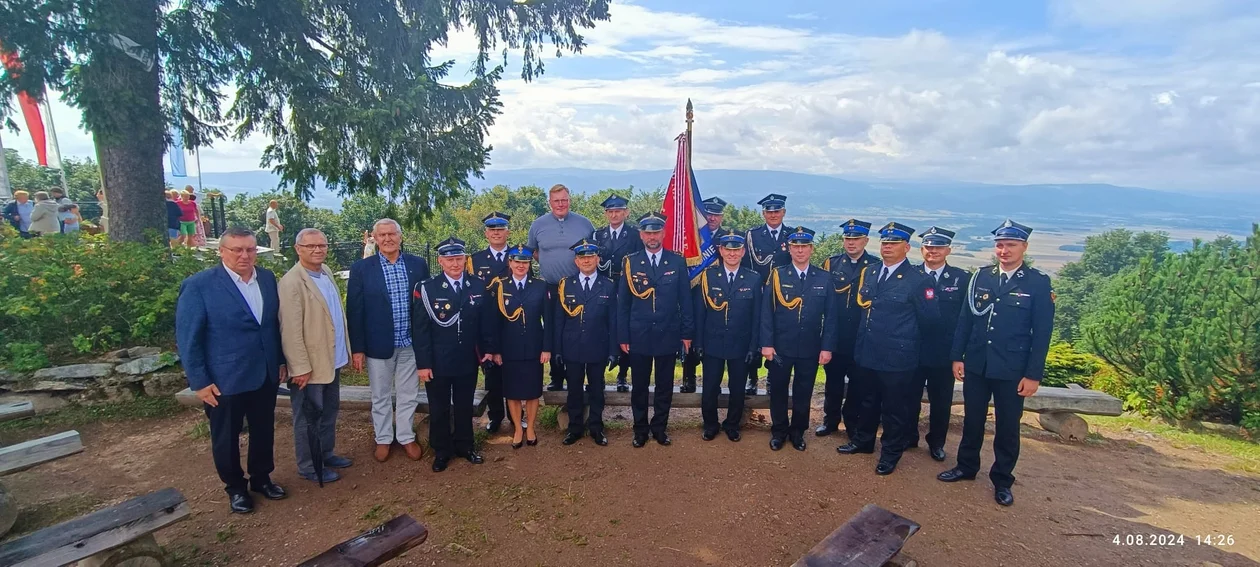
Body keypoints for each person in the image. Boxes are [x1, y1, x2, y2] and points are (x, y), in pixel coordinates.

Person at [938, 220, 1054, 507]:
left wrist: (1033, 374)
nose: (1004, 250)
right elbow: (966, 320)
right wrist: (957, 356)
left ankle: (1002, 479)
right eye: (1000, 245)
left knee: (1007, 426)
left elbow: (1042, 333)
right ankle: (966, 466)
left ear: (1024, 247)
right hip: (977, 364)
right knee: (972, 420)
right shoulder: (981, 277)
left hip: (1012, 370)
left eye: (1011, 245)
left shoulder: (1037, 283)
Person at [175, 227, 288, 514]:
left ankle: (261, 478)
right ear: (221, 251)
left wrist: (279, 362)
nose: (244, 255)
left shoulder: (266, 278)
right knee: (226, 437)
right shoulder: (199, 285)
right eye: (237, 250)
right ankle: (235, 488)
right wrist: (199, 381)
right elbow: (189, 338)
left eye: (250, 249)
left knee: (263, 430)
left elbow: (270, 327)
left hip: (264, 373)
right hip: (225, 379)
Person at [837, 222, 939, 476]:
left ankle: (890, 454)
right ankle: (863, 442)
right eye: (884, 243)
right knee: (867, 402)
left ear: (906, 247)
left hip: (898, 357)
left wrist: (908, 344)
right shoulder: (870, 272)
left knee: (894, 409)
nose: (887, 248)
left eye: (893, 244)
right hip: (868, 352)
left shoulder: (918, 280)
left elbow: (931, 321)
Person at [346, 219, 430, 463]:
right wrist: (358, 348)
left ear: (400, 236)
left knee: (408, 394)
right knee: (380, 395)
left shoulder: (418, 265)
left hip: (410, 343)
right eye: (381, 235)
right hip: (377, 344)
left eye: (391, 234)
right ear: (375, 238)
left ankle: (405, 436)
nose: (387, 239)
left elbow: (424, 306)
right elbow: (355, 310)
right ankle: (383, 438)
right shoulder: (362, 269)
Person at [412, 237, 496, 472]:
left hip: (467, 358)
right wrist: (424, 363)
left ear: (465, 259)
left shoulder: (477, 285)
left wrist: (488, 350)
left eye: (459, 258)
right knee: (439, 408)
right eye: (449, 259)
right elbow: (420, 330)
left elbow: (485, 324)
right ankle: (441, 451)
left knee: (463, 405)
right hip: (438, 361)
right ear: (440, 261)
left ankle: (465, 446)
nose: (455, 264)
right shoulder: (428, 288)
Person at [279, 228, 353, 484]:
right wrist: (299, 367)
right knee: (309, 416)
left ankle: (326, 452)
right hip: (309, 366)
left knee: (329, 410)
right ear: (298, 249)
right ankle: (309, 465)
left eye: (322, 245)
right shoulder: (291, 283)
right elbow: (289, 328)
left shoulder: (326, 272)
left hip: (331, 359)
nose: (318, 249)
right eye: (311, 246)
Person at [618, 211, 694, 448]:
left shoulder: (676, 261)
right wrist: (623, 335)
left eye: (656, 232)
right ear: (641, 235)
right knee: (639, 385)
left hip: (667, 332)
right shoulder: (630, 262)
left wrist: (687, 333)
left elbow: (686, 300)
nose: (652, 236)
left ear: (663, 233)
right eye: (647, 232)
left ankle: (660, 428)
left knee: (664, 385)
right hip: (638, 333)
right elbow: (623, 303)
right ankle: (640, 429)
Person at [759, 226, 838, 451]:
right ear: (789, 248)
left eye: (804, 246)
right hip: (781, 346)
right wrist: (767, 343)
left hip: (810, 347)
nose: (800, 250)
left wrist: (827, 347)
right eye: (796, 246)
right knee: (779, 391)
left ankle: (798, 432)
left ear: (812, 249)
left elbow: (831, 317)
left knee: (804, 392)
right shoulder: (777, 275)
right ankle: (779, 431)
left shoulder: (823, 277)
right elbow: (767, 313)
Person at [526, 184, 596, 391]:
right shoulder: (537, 225)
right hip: (550, 287)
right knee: (552, 330)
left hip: (578, 287)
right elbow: (533, 253)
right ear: (550, 203)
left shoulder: (585, 224)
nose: (560, 204)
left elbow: (591, 253)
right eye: (556, 201)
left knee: (578, 329)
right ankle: (557, 376)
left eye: (564, 200)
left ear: (570, 200)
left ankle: (581, 376)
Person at [694, 230, 761, 442]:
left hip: (740, 344)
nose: (732, 254)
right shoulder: (708, 276)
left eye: (736, 250)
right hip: (712, 341)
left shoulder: (754, 278)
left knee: (737, 388)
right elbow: (700, 313)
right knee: (710, 386)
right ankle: (710, 424)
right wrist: (698, 342)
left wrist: (753, 347)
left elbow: (757, 317)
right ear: (721, 251)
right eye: (728, 250)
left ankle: (732, 424)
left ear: (742, 252)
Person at [911, 227, 970, 462]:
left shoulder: (961, 278)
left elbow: (966, 319)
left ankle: (936, 443)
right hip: (912, 349)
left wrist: (959, 354)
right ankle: (908, 436)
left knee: (941, 402)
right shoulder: (911, 275)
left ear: (948, 250)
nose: (932, 251)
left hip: (944, 353)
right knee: (908, 398)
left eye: (938, 247)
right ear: (921, 249)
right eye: (928, 246)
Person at [555, 238, 620, 446]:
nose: (586, 261)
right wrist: (557, 348)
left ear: (597, 259)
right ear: (576, 261)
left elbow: (613, 322)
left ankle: (596, 427)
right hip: (572, 346)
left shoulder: (608, 285)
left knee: (596, 389)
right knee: (573, 389)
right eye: (582, 257)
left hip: (597, 346)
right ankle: (574, 428)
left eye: (590, 257)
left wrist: (613, 350)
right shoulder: (566, 285)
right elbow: (559, 320)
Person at [816, 219, 877, 438]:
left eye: (856, 239)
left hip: (862, 337)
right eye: (848, 239)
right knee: (833, 382)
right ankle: (830, 420)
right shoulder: (831, 264)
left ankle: (852, 422)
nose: (851, 243)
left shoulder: (875, 266)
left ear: (866, 241)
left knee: (858, 384)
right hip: (836, 335)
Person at [487, 244, 551, 449]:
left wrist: (546, 347)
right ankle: (517, 428)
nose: (521, 265)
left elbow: (548, 320)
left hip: (534, 346)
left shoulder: (540, 286)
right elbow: (494, 322)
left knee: (532, 392)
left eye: (525, 262)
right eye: (517, 262)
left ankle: (530, 427)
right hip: (509, 348)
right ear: (510, 263)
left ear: (529, 263)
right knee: (512, 392)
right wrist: (495, 349)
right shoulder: (500, 286)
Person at [742, 193, 792, 395]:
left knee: (777, 335)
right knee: (752, 333)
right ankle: (752, 378)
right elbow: (746, 265)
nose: (773, 215)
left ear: (784, 212)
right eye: (769, 212)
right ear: (763, 213)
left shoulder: (790, 236)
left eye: (777, 211)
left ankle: (772, 378)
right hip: (757, 292)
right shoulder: (752, 235)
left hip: (781, 296)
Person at [467, 212, 513, 433]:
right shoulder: (474, 260)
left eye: (500, 229)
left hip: (512, 322)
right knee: (492, 373)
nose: (496, 233)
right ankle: (495, 416)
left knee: (514, 371)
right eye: (492, 229)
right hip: (485, 323)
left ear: (508, 232)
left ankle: (516, 417)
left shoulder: (517, 256)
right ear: (486, 233)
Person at [591, 194, 641, 393]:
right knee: (603, 328)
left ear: (626, 213)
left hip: (626, 285)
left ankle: (622, 375)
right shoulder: (598, 234)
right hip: (603, 286)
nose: (614, 215)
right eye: (610, 211)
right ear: (606, 214)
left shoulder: (635, 235)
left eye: (618, 211)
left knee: (624, 328)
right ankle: (599, 374)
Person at [680, 196, 727, 394]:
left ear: (722, 217)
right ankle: (688, 377)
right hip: (693, 291)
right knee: (690, 332)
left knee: (711, 335)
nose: (712, 218)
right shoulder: (692, 236)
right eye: (708, 214)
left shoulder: (728, 237)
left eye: (716, 214)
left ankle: (712, 381)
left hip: (719, 294)